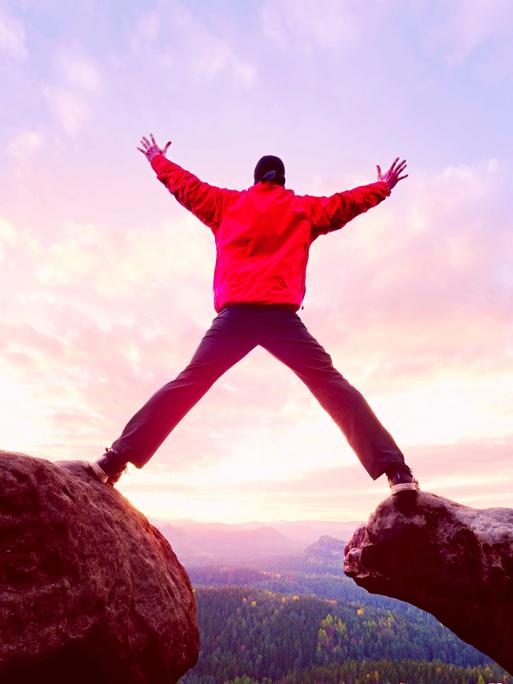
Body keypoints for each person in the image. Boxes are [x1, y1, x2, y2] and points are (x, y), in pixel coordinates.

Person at [90, 133, 418, 495]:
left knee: (188, 383)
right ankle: (397, 473)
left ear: (256, 179)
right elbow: (345, 204)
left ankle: (114, 460)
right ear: (282, 180)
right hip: (281, 318)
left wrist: (157, 159)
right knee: (331, 386)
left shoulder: (226, 204)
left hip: (235, 317)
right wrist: (382, 186)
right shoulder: (302, 209)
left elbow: (186, 186)